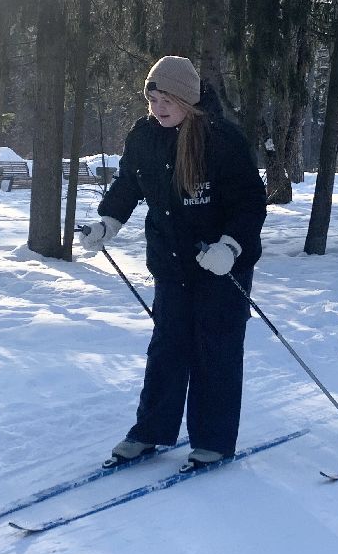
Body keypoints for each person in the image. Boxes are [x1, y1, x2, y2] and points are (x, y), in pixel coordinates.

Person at [78, 56, 267, 468]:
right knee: (167, 348)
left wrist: (230, 247)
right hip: (171, 263)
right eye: (153, 99)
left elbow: (252, 203)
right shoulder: (143, 136)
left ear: (188, 100)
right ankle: (149, 432)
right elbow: (129, 184)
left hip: (220, 265)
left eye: (167, 99)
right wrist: (106, 225)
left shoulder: (221, 139)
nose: (158, 107)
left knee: (214, 349)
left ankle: (213, 440)